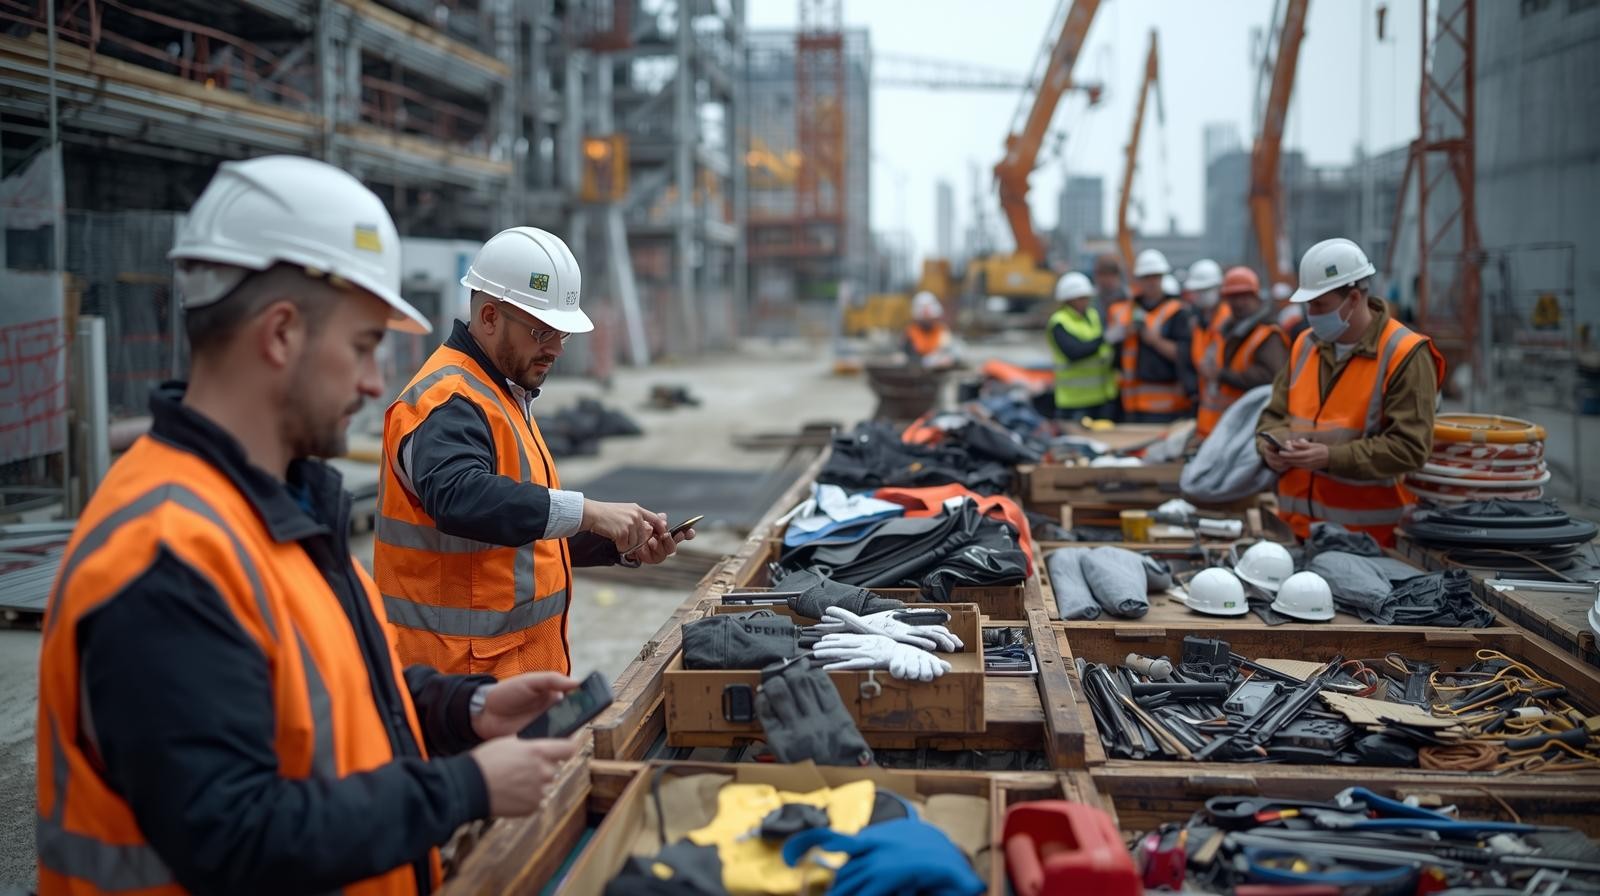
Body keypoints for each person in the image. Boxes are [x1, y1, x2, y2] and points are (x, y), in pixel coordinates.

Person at [36, 155, 582, 896]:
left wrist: (464, 707)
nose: (371, 381)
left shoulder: (277, 511)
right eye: (362, 346)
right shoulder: (163, 558)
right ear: (282, 334)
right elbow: (236, 835)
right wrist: (462, 791)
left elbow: (327, 697)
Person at [375, 226, 687, 680]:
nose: (557, 349)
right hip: (457, 683)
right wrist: (588, 512)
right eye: (542, 332)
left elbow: (519, 536)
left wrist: (621, 543)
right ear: (488, 317)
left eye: (563, 334)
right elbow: (459, 498)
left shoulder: (499, 394)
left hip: (506, 673)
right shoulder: (447, 400)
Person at [1257, 238, 1445, 546]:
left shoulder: (1403, 353)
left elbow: (1410, 448)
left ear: (1354, 298)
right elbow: (1273, 416)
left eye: (1320, 305)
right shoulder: (1305, 345)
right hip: (1297, 531)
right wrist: (1268, 449)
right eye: (1308, 304)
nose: (1311, 314)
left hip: (1371, 542)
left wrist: (1331, 457)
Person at [1195, 266, 1288, 438]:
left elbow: (1270, 378)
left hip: (1250, 426)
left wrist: (1221, 375)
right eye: (1233, 297)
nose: (1238, 302)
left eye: (1244, 296)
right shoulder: (1228, 330)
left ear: (1255, 296)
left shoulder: (1268, 335)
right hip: (1227, 426)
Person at [1105, 249, 1195, 423]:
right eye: (1146, 277)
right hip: (1129, 404)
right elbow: (1107, 345)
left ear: (1162, 278)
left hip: (1167, 407)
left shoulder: (1178, 312)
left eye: (1156, 277)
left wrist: (1154, 340)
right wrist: (1122, 332)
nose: (1151, 282)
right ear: (1138, 280)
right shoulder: (1123, 311)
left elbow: (1186, 355)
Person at [1047, 271, 1116, 420]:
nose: (1085, 302)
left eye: (1087, 297)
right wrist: (1104, 339)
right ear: (1068, 300)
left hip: (1100, 397)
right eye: (1081, 298)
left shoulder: (1093, 316)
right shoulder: (1059, 322)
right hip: (1074, 401)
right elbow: (1074, 352)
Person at [903, 290, 957, 367]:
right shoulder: (911, 332)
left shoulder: (942, 331)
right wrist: (925, 361)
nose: (927, 318)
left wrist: (945, 358)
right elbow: (907, 355)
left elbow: (949, 351)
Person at [1092, 253, 1127, 317]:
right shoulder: (1091, 300)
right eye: (1103, 274)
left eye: (1111, 274)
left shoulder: (1128, 297)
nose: (1107, 279)